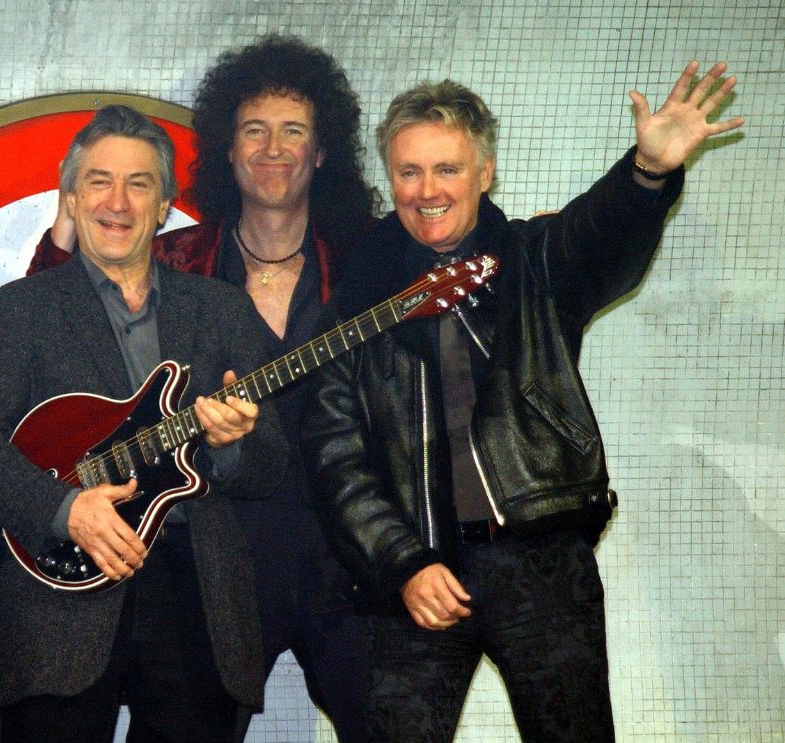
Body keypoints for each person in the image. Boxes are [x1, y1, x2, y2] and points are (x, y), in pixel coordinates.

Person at [302, 62, 743, 741]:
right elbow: (336, 457)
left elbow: (600, 234)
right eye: (408, 172)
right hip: (412, 576)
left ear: (485, 172)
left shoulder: (536, 262)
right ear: (389, 178)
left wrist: (646, 173)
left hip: (542, 566)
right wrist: (401, 563)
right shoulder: (354, 304)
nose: (426, 191)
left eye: (446, 169)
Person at [28, 36, 381, 741]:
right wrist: (67, 219)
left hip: (349, 551)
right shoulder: (175, 258)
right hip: (223, 558)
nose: (272, 148)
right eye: (253, 129)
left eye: (292, 131)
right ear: (225, 147)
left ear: (321, 151)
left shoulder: (366, 261)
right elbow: (54, 321)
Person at [0, 104, 285, 742]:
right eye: (98, 181)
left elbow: (275, 461)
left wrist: (236, 446)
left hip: (198, 598)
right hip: (59, 594)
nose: (118, 202)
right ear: (70, 198)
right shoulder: (18, 311)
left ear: (164, 206)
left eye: (139, 183)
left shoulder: (221, 310)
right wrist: (63, 507)